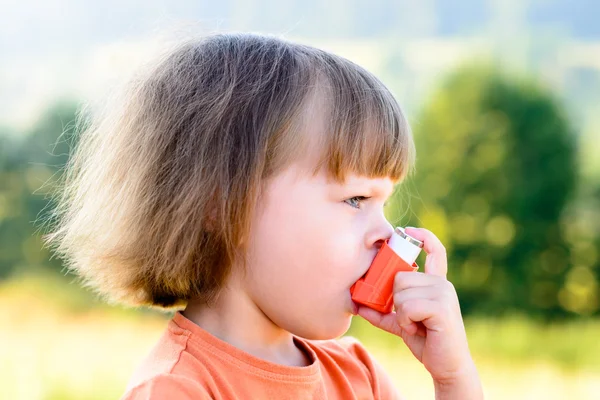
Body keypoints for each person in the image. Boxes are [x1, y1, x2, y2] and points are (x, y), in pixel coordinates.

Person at [43, 32, 483, 399]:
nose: (386, 234)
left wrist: (452, 379)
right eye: (355, 200)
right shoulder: (178, 389)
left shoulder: (359, 378)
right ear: (223, 204)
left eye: (384, 202)